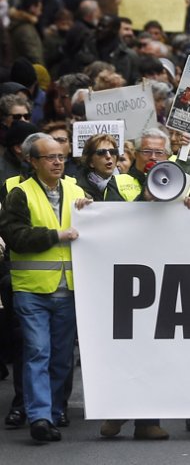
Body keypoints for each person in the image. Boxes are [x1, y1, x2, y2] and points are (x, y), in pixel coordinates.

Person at [0, 133, 91, 442]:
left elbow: (93, 231)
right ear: (33, 161)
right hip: (32, 289)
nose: (57, 162)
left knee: (62, 357)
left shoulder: (77, 190)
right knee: (38, 351)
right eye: (50, 157)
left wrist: (89, 211)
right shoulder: (19, 194)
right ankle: (39, 416)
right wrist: (57, 236)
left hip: (68, 289)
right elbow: (16, 237)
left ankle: (52, 413)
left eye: (60, 157)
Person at [78, 134, 141, 201]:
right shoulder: (79, 188)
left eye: (112, 152)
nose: (108, 156)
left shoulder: (132, 182)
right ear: (91, 162)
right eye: (101, 152)